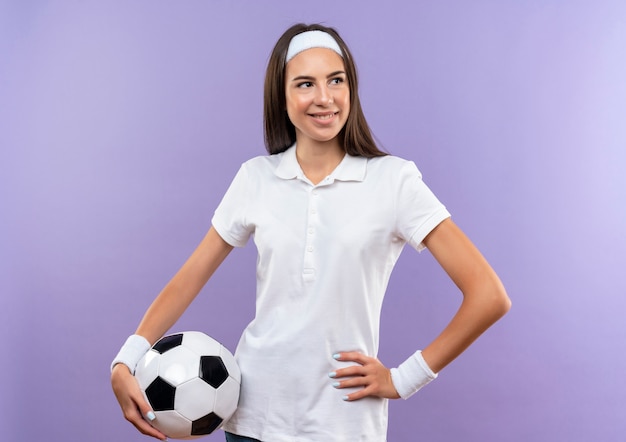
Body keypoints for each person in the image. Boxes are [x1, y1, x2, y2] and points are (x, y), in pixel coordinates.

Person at [111, 23, 511, 442]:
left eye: (335, 80)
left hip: (343, 424)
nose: (324, 98)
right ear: (281, 98)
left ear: (350, 89)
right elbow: (189, 277)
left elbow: (488, 295)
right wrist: (127, 357)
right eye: (305, 84)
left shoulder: (394, 181)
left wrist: (404, 378)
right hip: (253, 420)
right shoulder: (256, 178)